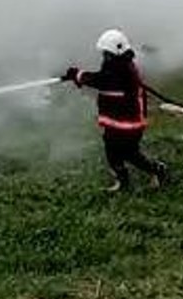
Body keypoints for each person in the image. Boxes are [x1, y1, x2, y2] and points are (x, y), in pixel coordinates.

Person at [62, 29, 168, 192]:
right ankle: (122, 182)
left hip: (129, 123)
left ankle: (157, 170)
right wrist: (78, 77)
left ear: (115, 52)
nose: (104, 56)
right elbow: (102, 78)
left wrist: (78, 75)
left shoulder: (123, 70)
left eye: (107, 53)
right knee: (112, 152)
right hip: (115, 121)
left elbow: (102, 80)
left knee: (129, 153)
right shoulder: (115, 64)